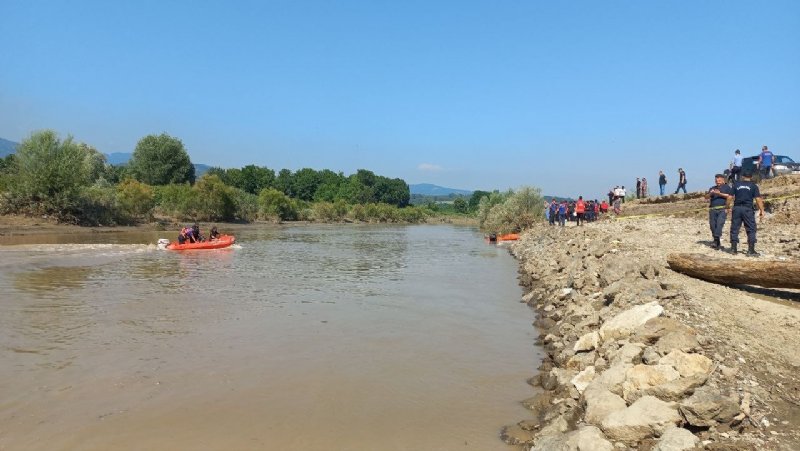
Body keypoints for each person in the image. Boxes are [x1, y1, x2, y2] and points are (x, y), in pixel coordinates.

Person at [727, 170, 765, 256]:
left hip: (737, 208)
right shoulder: (754, 186)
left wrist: (727, 207)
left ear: (742, 176)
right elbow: (758, 199)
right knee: (751, 229)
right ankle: (751, 250)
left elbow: (729, 197)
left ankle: (733, 249)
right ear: (751, 177)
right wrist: (762, 210)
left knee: (734, 228)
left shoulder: (736, 185)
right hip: (747, 209)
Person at [705, 174, 734, 250]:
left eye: (719, 180)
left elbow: (729, 196)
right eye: (716, 180)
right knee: (712, 225)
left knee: (719, 224)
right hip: (712, 209)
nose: (717, 182)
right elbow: (706, 197)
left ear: (723, 180)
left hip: (722, 209)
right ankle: (717, 242)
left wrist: (719, 194)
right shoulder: (712, 188)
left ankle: (716, 239)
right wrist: (711, 193)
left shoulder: (727, 187)